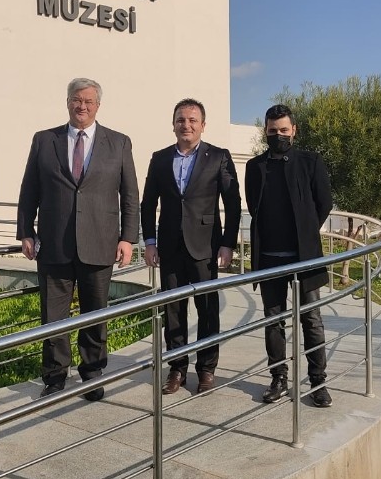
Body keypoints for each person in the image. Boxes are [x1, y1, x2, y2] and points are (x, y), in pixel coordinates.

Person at [17, 78, 139, 401]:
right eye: (76, 99)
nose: (81, 106)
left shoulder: (119, 143)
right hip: (53, 244)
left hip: (100, 242)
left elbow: (130, 196)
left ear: (98, 105)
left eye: (88, 101)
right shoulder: (45, 140)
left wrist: (128, 238)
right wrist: (25, 230)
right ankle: (55, 376)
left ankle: (92, 374)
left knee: (95, 313)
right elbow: (29, 189)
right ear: (67, 101)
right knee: (53, 316)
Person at [141, 99, 241, 394]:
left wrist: (228, 243)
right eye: (181, 120)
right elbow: (148, 203)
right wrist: (149, 242)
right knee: (173, 309)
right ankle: (177, 368)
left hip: (205, 247)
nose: (186, 125)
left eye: (192, 120)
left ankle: (207, 369)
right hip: (169, 247)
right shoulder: (160, 158)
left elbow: (232, 203)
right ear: (173, 124)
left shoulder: (218, 157)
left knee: (207, 309)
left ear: (202, 125)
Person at [245, 104, 334, 407]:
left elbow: (324, 203)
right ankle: (278, 378)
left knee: (312, 320)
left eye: (284, 130)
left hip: (304, 259)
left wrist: (305, 232)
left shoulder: (311, 162)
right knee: (274, 321)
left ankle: (318, 382)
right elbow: (254, 207)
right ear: (266, 132)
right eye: (273, 131)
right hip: (269, 259)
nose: (278, 135)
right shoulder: (254, 167)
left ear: (294, 131)